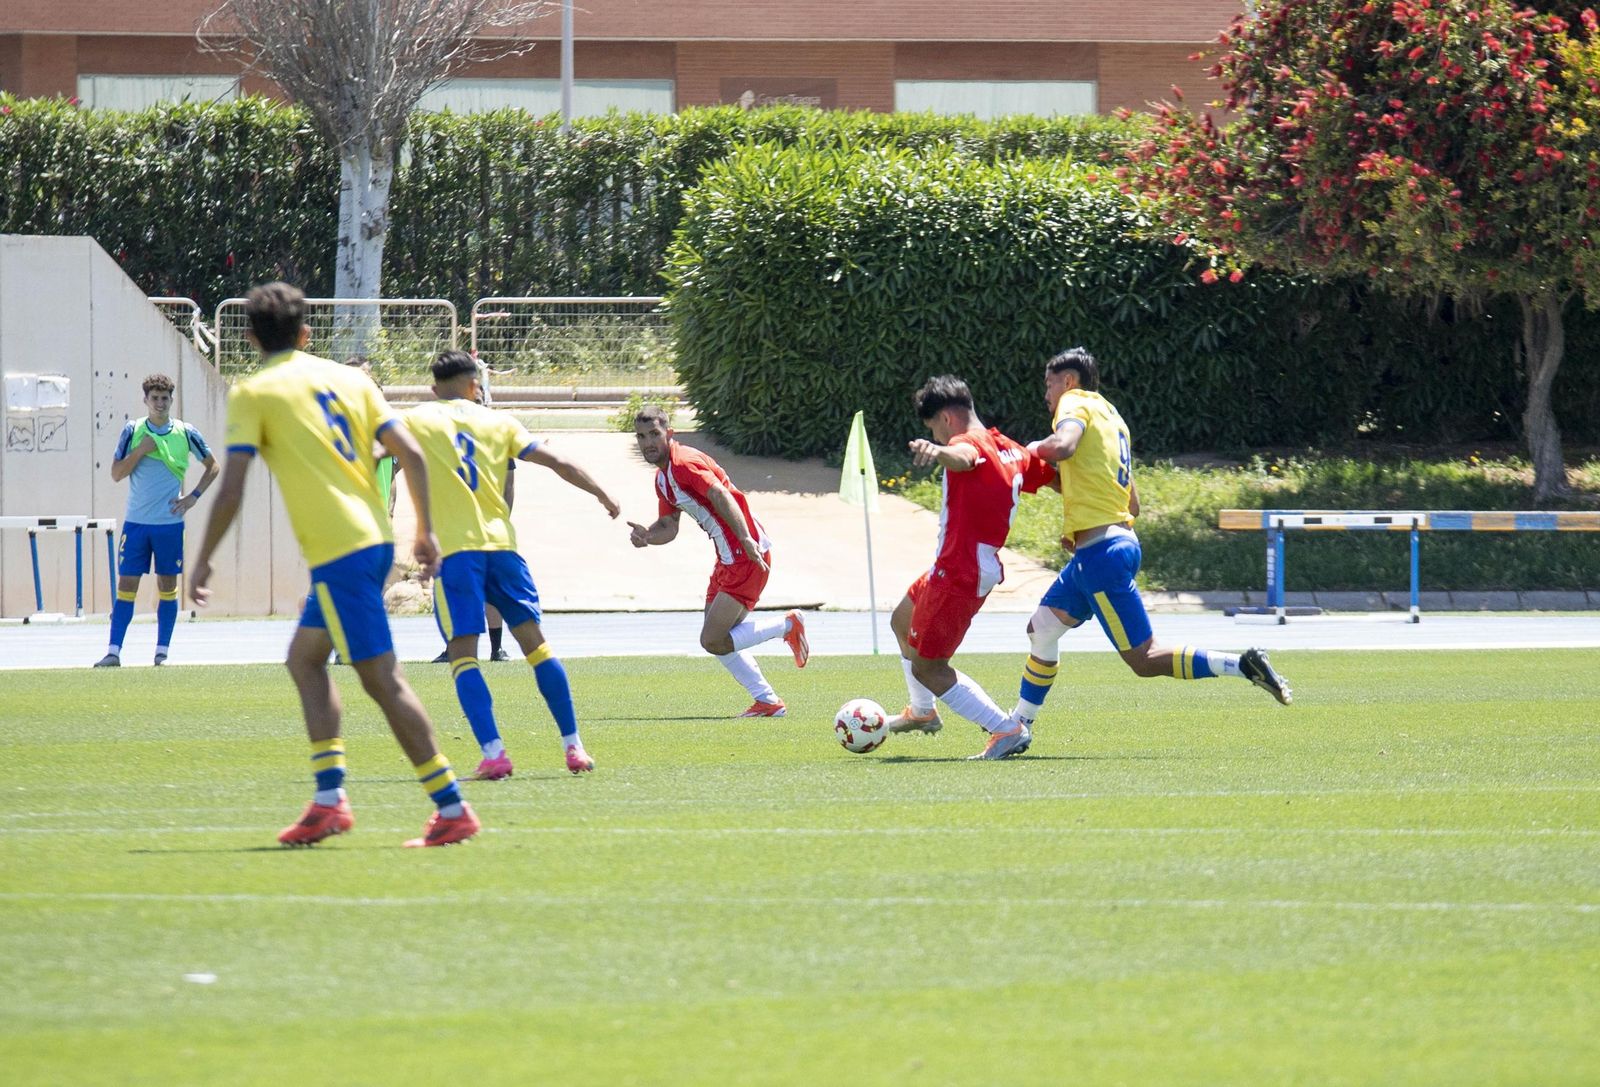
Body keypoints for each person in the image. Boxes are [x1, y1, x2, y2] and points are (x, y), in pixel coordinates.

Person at [190, 281, 480, 848]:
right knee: (305, 660)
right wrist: (423, 532)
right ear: (307, 333)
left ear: (249, 337)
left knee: (383, 681)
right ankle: (329, 800)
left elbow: (232, 489)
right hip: (365, 542)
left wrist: (202, 559)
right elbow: (411, 453)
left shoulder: (254, 392)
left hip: (342, 551)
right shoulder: (351, 379)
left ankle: (451, 806)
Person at [1010, 347, 1292, 731]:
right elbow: (1133, 502)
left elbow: (1062, 447)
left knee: (1145, 659)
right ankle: (1018, 725)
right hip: (1108, 547)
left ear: (1070, 382)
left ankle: (1243, 665)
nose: (1046, 394)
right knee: (1041, 628)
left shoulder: (1073, 403)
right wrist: (1071, 506)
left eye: (1049, 384)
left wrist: (1026, 452)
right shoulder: (1112, 417)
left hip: (1102, 556)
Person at [405, 350, 620, 779]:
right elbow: (558, 461)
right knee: (537, 647)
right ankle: (574, 747)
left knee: (464, 656)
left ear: (434, 388)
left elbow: (370, 454)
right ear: (475, 386)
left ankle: (494, 754)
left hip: (456, 554)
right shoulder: (499, 422)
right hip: (503, 549)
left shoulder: (417, 419)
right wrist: (602, 493)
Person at [880, 376, 1056, 759]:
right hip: (962, 566)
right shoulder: (1008, 447)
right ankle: (923, 713)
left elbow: (962, 459)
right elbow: (1053, 476)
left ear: (945, 418)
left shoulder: (965, 445)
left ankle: (1006, 728)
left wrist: (937, 452)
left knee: (929, 666)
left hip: (959, 572)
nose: (938, 438)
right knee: (900, 620)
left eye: (934, 431)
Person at [628, 406, 808, 717]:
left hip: (745, 554)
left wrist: (746, 539)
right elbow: (668, 527)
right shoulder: (663, 478)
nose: (648, 443)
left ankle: (787, 625)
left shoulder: (684, 464)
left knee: (712, 639)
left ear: (669, 434)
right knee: (718, 637)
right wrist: (647, 537)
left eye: (654, 434)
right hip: (729, 557)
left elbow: (721, 495)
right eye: (642, 437)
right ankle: (768, 701)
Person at [93, 374, 219, 667]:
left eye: (165, 398)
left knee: (167, 585)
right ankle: (113, 651)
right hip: (136, 524)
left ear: (171, 400)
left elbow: (213, 466)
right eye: (155, 398)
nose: (160, 403)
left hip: (169, 525)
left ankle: (162, 652)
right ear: (145, 400)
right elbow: (116, 473)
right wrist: (141, 450)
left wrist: (193, 497)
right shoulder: (133, 430)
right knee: (127, 584)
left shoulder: (186, 432)